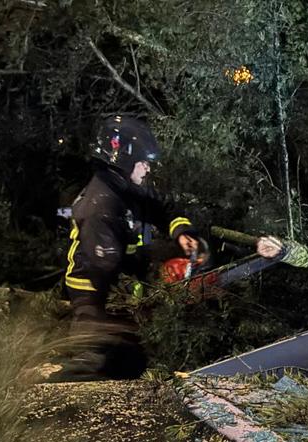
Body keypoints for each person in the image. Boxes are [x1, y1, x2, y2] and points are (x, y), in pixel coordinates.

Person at [59, 115, 282, 379]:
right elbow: (110, 268)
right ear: (124, 162)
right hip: (95, 292)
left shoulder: (127, 187)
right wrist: (164, 274)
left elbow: (163, 207)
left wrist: (181, 233)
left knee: (135, 352)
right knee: (96, 359)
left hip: (123, 282)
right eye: (143, 163)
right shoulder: (101, 207)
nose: (147, 169)